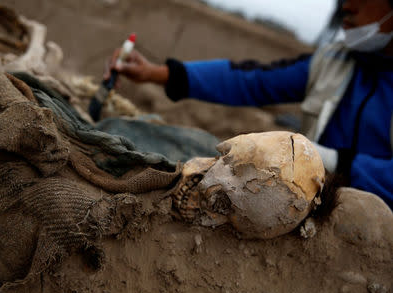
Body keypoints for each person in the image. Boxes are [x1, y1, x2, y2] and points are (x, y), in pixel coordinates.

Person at [102, 0, 393, 208]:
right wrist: (156, 73)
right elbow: (251, 81)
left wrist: (334, 162)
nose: (347, 5)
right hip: (311, 203)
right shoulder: (332, 61)